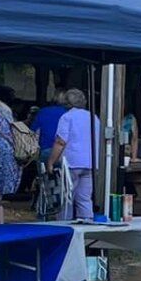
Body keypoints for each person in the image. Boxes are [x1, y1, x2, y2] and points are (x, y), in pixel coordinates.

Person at [47, 88, 98, 221]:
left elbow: (60, 142)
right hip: (91, 163)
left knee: (66, 197)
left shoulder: (67, 117)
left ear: (67, 103)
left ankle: (65, 226)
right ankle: (87, 224)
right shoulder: (94, 117)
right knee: (84, 198)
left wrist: (51, 162)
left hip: (71, 162)